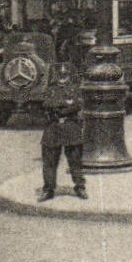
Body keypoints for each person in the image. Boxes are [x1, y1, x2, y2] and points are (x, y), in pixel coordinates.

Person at [37, 64, 87, 202]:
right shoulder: (50, 89)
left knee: (75, 160)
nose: (62, 78)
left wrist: (59, 107)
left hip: (71, 127)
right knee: (49, 161)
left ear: (69, 76)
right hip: (53, 128)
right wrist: (65, 104)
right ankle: (48, 189)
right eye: (60, 75)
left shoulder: (75, 89)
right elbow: (45, 104)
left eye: (65, 75)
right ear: (56, 76)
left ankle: (80, 186)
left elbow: (77, 105)